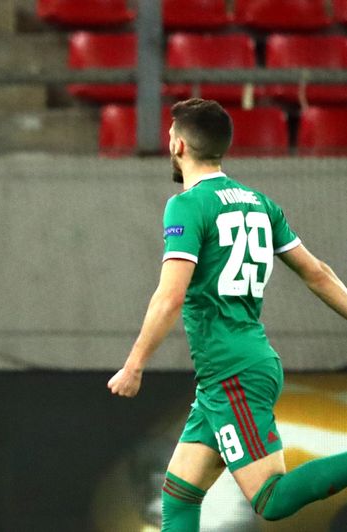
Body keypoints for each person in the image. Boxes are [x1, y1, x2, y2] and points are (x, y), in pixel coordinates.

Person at [107, 98, 347, 531]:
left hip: (232, 371)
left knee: (270, 498)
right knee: (179, 495)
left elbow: (169, 296)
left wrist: (134, 365)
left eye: (168, 138)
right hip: (231, 370)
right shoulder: (258, 203)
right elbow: (317, 273)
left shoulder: (188, 204)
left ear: (179, 145)